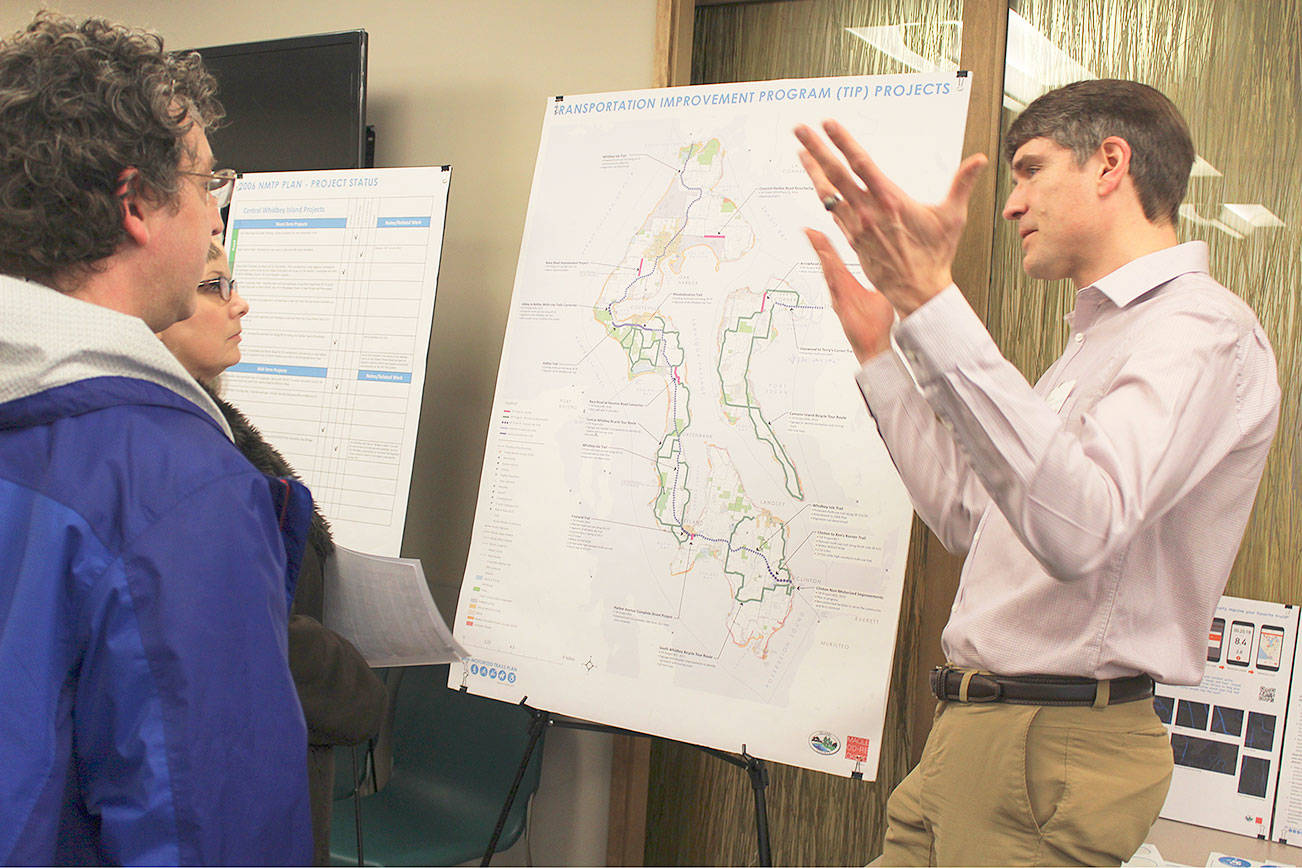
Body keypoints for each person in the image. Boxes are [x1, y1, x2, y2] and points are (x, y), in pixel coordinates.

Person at [795, 79, 1279, 866]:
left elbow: (1074, 529)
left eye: (1029, 169)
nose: (1012, 204)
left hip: (1051, 745)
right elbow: (968, 514)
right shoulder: (1099, 340)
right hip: (973, 735)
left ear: (1110, 164)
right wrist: (882, 353)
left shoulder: (1201, 330)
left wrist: (931, 298)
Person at [0, 13, 313, 864]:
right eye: (210, 181)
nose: (217, 218)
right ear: (136, 202)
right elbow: (212, 831)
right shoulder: (178, 490)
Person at [159, 244, 389, 866]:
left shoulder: (208, 428)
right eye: (212, 285)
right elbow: (236, 629)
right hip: (237, 786)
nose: (239, 302)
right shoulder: (177, 456)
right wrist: (351, 684)